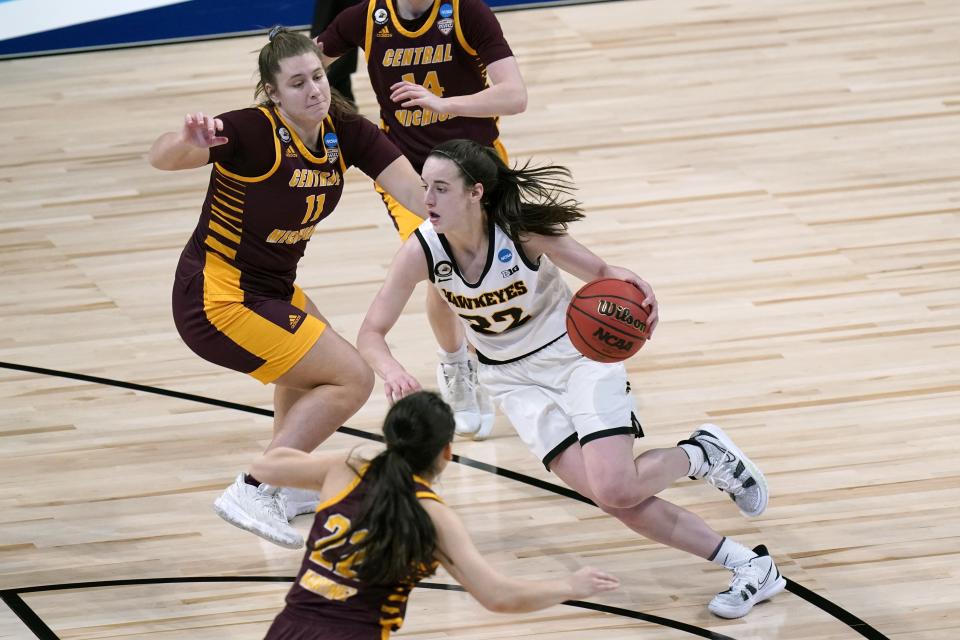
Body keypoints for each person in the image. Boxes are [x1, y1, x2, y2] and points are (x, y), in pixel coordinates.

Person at [356, 139, 787, 619]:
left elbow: (602, 270)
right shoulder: (421, 250)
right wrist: (391, 369)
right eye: (424, 188)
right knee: (614, 500)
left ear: (475, 193)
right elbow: (371, 331)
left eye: (440, 188)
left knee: (618, 488)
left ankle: (701, 455)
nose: (427, 199)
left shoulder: (519, 233)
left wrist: (636, 291)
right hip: (511, 383)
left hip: (577, 357)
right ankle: (750, 565)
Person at [147, 27, 428, 550]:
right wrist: (187, 142)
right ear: (274, 93)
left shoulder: (344, 130)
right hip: (217, 297)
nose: (315, 90)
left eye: (318, 76)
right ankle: (255, 485)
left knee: (309, 369)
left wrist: (475, 212)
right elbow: (159, 157)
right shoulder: (253, 131)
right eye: (297, 83)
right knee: (351, 379)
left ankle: (287, 474)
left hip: (272, 287)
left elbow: (411, 190)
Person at [315, 0, 528, 440]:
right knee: (442, 267)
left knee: (503, 263)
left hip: (479, 162)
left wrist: (444, 105)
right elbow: (306, 64)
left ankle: (512, 357)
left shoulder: (467, 13)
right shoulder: (364, 18)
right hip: (409, 173)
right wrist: (332, 117)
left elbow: (515, 95)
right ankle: (456, 366)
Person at [253, 390, 620, 638]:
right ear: (446, 452)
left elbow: (265, 465)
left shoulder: (346, 469)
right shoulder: (434, 516)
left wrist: (358, 452)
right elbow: (497, 597)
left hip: (287, 629)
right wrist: (570, 587)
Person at [309, 0, 362, 106]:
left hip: (331, 49)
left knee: (327, 88)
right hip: (342, 48)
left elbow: (322, 22)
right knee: (342, 89)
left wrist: (311, 51)